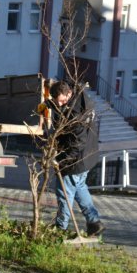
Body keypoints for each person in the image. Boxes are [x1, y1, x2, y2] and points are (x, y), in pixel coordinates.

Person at [44, 80, 105, 237]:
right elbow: (63, 114)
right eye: (57, 100)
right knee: (79, 187)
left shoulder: (75, 113)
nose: (60, 103)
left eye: (62, 100)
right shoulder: (81, 99)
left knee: (64, 193)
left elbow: (77, 142)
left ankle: (60, 229)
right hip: (88, 156)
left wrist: (61, 160)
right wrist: (51, 105)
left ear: (69, 93)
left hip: (76, 158)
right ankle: (94, 223)